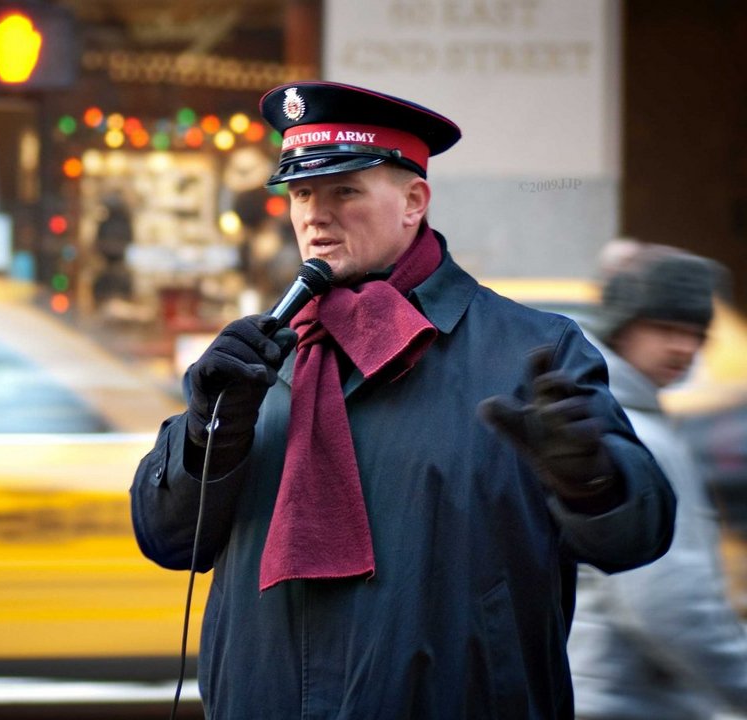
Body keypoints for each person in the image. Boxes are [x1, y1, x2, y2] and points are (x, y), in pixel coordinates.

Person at [130, 81, 676, 719]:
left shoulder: (534, 351)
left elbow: (639, 535)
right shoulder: (257, 360)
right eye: (301, 193)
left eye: (345, 190)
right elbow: (167, 539)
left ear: (415, 201)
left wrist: (593, 480)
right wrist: (206, 436)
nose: (314, 214)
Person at [568, 241, 747, 719]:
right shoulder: (635, 434)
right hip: (624, 703)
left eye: (696, 333)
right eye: (666, 328)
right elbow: (669, 604)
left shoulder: (612, 416)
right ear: (622, 328)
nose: (684, 347)